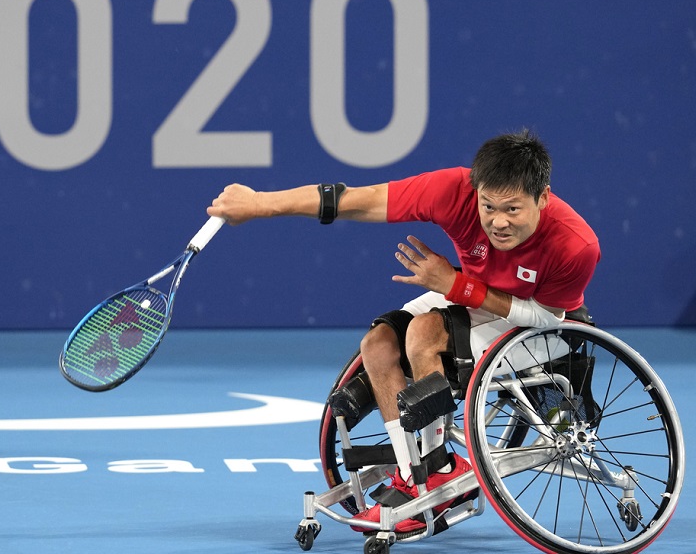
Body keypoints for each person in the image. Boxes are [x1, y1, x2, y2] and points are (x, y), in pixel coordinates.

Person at [206, 129, 600, 534]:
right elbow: (357, 200)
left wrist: (459, 287)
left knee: (424, 333)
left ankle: (439, 469)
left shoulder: (575, 244)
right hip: (472, 294)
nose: (498, 222)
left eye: (513, 209)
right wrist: (260, 203)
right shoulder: (452, 191)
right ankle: (414, 472)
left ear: (543, 198)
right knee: (377, 345)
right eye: (488, 206)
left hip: (539, 325)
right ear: (475, 192)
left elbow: (548, 317)